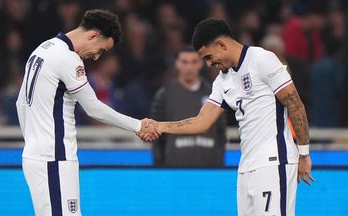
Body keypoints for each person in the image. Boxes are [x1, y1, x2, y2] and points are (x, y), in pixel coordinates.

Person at [143, 19, 314, 215]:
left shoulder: (262, 59)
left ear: (222, 44)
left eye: (208, 56)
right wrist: (159, 126)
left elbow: (295, 104)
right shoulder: (223, 80)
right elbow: (202, 121)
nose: (209, 63)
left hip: (273, 162)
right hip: (246, 167)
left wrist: (303, 154)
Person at [16, 9, 158, 216]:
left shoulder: (42, 49)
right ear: (93, 35)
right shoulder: (68, 58)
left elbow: (22, 103)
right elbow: (93, 107)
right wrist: (138, 125)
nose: (96, 57)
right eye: (101, 49)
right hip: (54, 158)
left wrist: (33, 141)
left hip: (39, 155)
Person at [151, 45, 227, 167]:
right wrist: (160, 168)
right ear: (177, 64)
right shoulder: (164, 95)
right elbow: (156, 137)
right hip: (174, 169)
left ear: (200, 64)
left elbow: (221, 134)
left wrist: (218, 163)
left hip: (209, 169)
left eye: (194, 62)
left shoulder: (214, 93)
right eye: (184, 62)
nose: (189, 67)